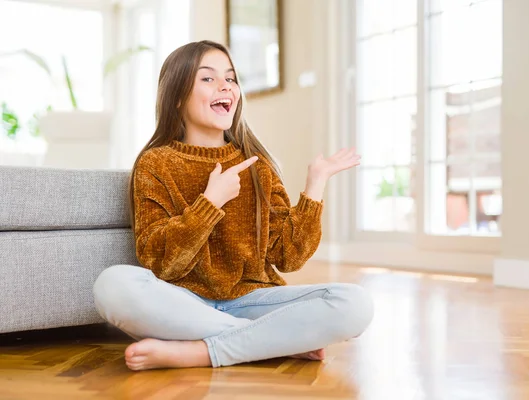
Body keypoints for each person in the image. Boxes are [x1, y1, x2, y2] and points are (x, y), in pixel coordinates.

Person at [93, 40, 374, 371]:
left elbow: (288, 257)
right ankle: (269, 342)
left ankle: (200, 352)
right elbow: (159, 262)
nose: (225, 85)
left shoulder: (258, 164)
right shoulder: (156, 163)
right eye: (208, 78)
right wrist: (210, 203)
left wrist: (314, 188)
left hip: (253, 300)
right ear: (178, 94)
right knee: (112, 285)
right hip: (183, 303)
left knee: (355, 304)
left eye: (230, 78)